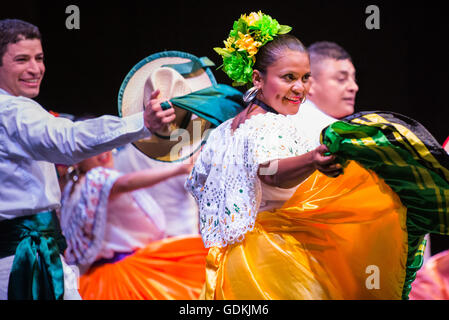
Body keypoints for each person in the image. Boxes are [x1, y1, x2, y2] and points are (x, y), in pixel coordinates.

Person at [186, 11, 449, 300]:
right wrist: (311, 160)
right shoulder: (267, 124)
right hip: (273, 262)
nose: (299, 88)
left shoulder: (225, 131)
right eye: (288, 78)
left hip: (227, 267)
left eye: (304, 78)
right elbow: (270, 169)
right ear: (258, 79)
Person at [0, 19, 175, 300]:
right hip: (21, 261)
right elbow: (69, 140)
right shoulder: (11, 112)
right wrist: (142, 122)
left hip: (33, 252)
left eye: (39, 58)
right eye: (21, 59)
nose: (35, 69)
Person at [59, 147, 208, 300]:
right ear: (76, 159)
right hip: (124, 277)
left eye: (106, 144)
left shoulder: (72, 187)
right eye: (91, 148)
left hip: (92, 279)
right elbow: (125, 183)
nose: (103, 151)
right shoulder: (96, 178)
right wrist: (180, 169)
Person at [295, 41, 358, 147]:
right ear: (309, 84)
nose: (354, 87)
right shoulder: (332, 133)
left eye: (354, 79)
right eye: (341, 79)